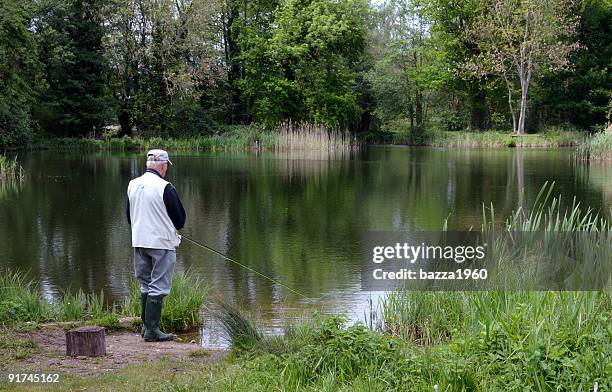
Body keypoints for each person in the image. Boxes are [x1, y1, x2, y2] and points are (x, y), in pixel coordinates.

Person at [127, 149, 186, 342]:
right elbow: (180, 221)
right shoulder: (165, 187)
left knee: (145, 283)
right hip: (161, 243)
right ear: (162, 165)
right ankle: (152, 330)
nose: (167, 168)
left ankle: (146, 328)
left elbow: (129, 217)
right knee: (159, 286)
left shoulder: (132, 185)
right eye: (167, 165)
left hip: (138, 241)